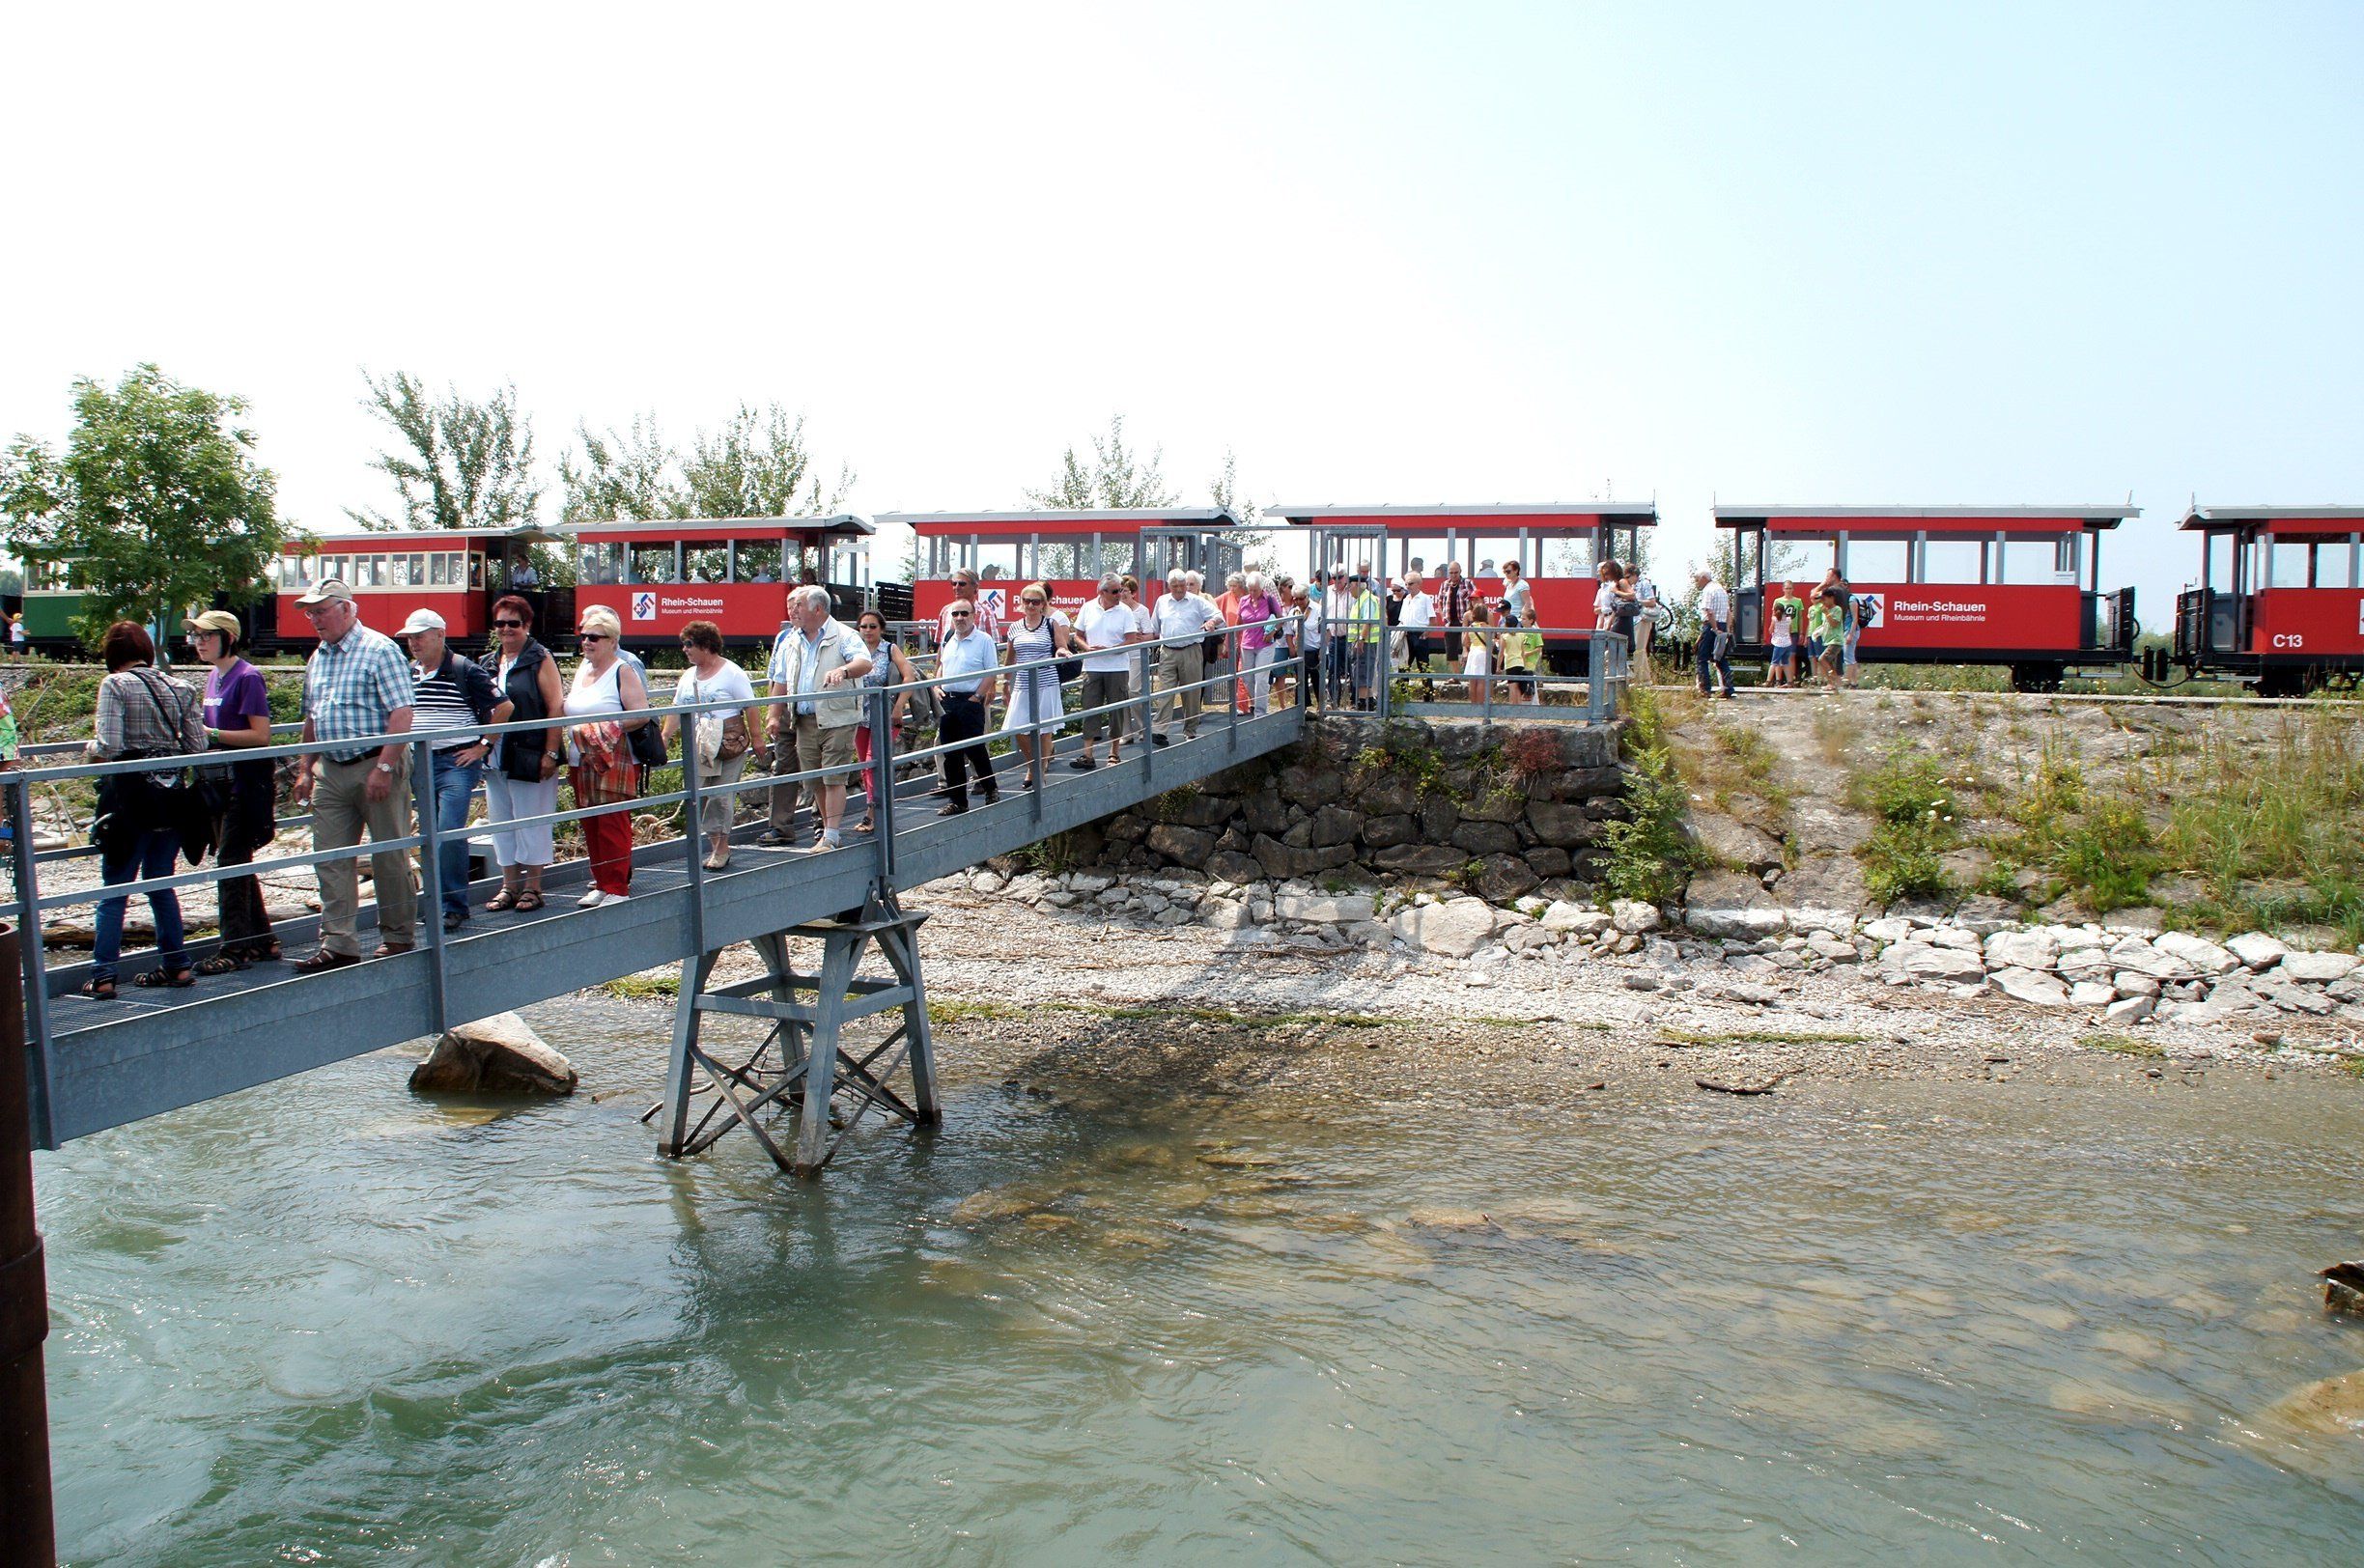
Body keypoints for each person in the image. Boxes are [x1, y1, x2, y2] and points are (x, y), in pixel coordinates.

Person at [291, 578, 417, 969]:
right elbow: (312, 719)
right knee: (330, 856)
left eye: (320, 611)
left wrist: (384, 766)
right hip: (331, 768)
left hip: (375, 762)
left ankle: (397, 935)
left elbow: (402, 714)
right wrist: (305, 769)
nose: (314, 619)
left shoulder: (379, 650)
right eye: (310, 613)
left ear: (346, 609)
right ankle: (339, 942)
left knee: (389, 855)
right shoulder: (318, 657)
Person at [80, 622, 206, 997]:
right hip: (171, 800)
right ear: (147, 651)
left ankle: (104, 975)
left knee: (115, 889)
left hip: (131, 803)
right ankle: (178, 965)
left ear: (112, 654)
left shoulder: (115, 685)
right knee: (161, 883)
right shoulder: (181, 687)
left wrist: (88, 748)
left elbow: (109, 745)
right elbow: (198, 747)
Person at [398, 608, 509, 934]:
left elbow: (504, 706)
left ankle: (454, 906)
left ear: (439, 635)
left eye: (419, 636)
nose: (414, 643)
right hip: (420, 762)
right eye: (410, 638)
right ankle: (438, 904)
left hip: (455, 763)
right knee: (429, 835)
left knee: (448, 832)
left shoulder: (464, 669)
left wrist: (483, 746)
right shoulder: (410, 672)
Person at [183, 610, 279, 972]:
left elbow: (260, 735)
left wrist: (210, 734)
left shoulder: (248, 677)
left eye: (207, 636)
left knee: (229, 862)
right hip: (218, 785)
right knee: (236, 860)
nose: (200, 642)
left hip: (244, 784)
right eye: (196, 636)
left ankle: (235, 948)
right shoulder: (214, 677)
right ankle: (263, 940)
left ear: (229, 638)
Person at [763, 585, 873, 854]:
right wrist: (774, 715)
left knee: (833, 776)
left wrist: (843, 671)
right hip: (803, 719)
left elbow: (864, 662)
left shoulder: (844, 635)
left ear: (818, 609)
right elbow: (780, 680)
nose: (793, 610)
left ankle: (831, 835)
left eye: (799, 605)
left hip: (837, 716)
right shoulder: (791, 640)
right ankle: (827, 831)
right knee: (815, 779)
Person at [483, 595, 566, 913]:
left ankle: (533, 886)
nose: (506, 629)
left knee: (532, 820)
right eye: (500, 623)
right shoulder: (489, 662)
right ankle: (508, 885)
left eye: (513, 623)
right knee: (501, 822)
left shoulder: (539, 658)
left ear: (526, 625)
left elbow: (555, 706)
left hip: (530, 752)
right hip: (496, 756)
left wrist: (550, 752)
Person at [565, 604, 651, 903]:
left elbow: (641, 714)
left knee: (612, 823)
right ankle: (601, 882)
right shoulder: (582, 669)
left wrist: (606, 727)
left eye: (594, 637)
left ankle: (617, 887)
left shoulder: (622, 670)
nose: (587, 642)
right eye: (584, 636)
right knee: (590, 822)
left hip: (613, 758)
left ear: (612, 641)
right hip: (581, 756)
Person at [666, 619, 757, 870]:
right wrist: (665, 736)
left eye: (689, 644)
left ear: (705, 645)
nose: (684, 649)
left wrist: (758, 739)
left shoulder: (732, 673)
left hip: (728, 743)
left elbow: (750, 707)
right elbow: (676, 708)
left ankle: (721, 849)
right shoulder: (688, 676)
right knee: (700, 795)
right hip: (702, 743)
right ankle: (716, 844)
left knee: (720, 795)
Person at [1071, 574, 1148, 768]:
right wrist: (1087, 648)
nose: (1119, 594)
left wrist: (1111, 650)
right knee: (1090, 708)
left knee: (1116, 710)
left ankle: (1114, 752)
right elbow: (1077, 636)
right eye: (1114, 591)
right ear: (1101, 592)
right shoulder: (1088, 607)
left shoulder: (1125, 611)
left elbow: (1132, 640)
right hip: (1092, 667)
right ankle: (1088, 754)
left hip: (1117, 668)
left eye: (1121, 590)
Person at [850, 610, 916, 834]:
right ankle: (877, 805)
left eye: (873, 626)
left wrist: (899, 706)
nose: (868, 631)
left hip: (885, 715)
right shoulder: (854, 652)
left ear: (881, 629)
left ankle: (873, 812)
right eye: (863, 626)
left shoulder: (889, 649)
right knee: (865, 765)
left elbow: (909, 676)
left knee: (873, 762)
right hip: (860, 716)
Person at [934, 599, 1000, 813]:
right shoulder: (948, 638)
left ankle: (991, 788)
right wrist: (936, 686)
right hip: (948, 701)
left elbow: (991, 671)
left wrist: (977, 696)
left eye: (964, 613)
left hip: (970, 701)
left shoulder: (984, 640)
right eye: (955, 614)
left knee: (975, 749)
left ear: (974, 616)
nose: (960, 618)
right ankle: (958, 801)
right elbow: (941, 666)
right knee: (951, 754)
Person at [999, 583, 1070, 788]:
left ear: (1043, 604)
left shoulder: (1051, 623)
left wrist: (1061, 652)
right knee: (1017, 726)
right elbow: (1010, 659)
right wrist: (1005, 683)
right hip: (1022, 682)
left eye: (1036, 602)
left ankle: (1038, 771)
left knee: (1044, 730)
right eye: (1027, 601)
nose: (1031, 605)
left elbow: (1061, 647)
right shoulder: (1015, 627)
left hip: (1046, 681)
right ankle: (1034, 766)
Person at [1149, 567, 1219, 743]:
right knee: (1165, 691)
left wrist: (1211, 621)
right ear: (1169, 586)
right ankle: (1159, 731)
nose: (1179, 589)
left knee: (1192, 693)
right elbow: (1154, 627)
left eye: (1182, 585)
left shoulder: (1196, 601)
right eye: (1175, 586)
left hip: (1191, 650)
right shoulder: (1162, 601)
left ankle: (1190, 730)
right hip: (1167, 651)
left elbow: (1219, 616)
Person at [1233, 572, 1284, 718]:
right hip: (1247, 643)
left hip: (1265, 643)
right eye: (1250, 590)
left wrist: (1272, 632)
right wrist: (1236, 640)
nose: (1252, 593)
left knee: (1261, 678)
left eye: (1255, 590)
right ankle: (1258, 701)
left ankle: (1260, 713)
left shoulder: (1269, 599)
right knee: (1247, 678)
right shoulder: (1244, 601)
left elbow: (1281, 619)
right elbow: (1239, 622)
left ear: (1262, 588)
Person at [1693, 570, 1735, 699]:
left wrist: (1715, 628)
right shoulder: (1721, 590)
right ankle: (1728, 688)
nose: (1697, 583)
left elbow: (1709, 612)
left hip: (1711, 626)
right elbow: (1728, 612)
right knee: (1720, 658)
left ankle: (1705, 688)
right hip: (1722, 625)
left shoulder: (1708, 590)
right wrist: (1726, 629)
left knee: (1702, 657)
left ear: (1704, 578)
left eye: (1697, 580)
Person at [1348, 571, 1385, 709]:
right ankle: (1369, 700)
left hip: (1365, 642)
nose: (1349, 589)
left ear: (1358, 585)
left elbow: (1368, 621)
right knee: (1361, 669)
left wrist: (1361, 639)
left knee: (1362, 671)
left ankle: (1362, 702)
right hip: (1362, 641)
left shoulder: (1367, 599)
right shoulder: (1361, 599)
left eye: (1350, 586)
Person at [939, 567, 1001, 646]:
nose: (957, 587)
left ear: (975, 587)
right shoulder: (945, 611)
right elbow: (941, 646)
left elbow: (993, 647)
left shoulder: (986, 613)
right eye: (954, 584)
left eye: (962, 584)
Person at [1320, 568, 1355, 707]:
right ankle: (1333, 701)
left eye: (1340, 577)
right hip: (1334, 637)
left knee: (1353, 670)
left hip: (1350, 637)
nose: (1337, 580)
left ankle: (1355, 702)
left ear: (1346, 576)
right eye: (1334, 577)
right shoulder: (1327, 592)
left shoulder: (1352, 592)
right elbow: (1323, 615)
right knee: (1332, 670)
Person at [1215, 570, 1248, 714]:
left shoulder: (1248, 597)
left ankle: (1242, 705)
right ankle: (1235, 704)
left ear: (1242, 585)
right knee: (1233, 673)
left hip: (1246, 639)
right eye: (1230, 586)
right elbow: (1211, 605)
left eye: (1235, 586)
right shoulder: (1226, 597)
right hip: (1231, 640)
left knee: (1242, 672)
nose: (1232, 589)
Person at [1437, 560, 1475, 666]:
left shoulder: (1468, 583)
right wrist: (1443, 617)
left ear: (1460, 571)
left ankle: (1468, 673)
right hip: (1450, 622)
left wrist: (1471, 616)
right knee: (1450, 652)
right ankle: (1455, 674)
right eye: (1451, 573)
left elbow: (1475, 600)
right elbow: (1440, 602)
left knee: (1468, 648)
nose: (1453, 575)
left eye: (1456, 572)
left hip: (1465, 622)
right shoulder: (1444, 584)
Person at [1629, 566, 1663, 684]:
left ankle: (1640, 679)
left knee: (1639, 649)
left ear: (1634, 575)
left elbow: (1652, 602)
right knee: (1639, 649)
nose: (1627, 579)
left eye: (1628, 576)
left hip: (1642, 619)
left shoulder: (1644, 584)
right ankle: (1644, 678)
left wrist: (1636, 601)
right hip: (1635, 620)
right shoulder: (1632, 586)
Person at [1461, 603, 1496, 702]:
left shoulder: (1470, 626)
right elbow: (1490, 643)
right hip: (1483, 653)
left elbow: (1465, 642)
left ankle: (1474, 705)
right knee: (1482, 681)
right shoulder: (1487, 627)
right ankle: (1480, 705)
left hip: (1473, 652)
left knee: (1472, 681)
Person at [1766, 584, 1798, 688]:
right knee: (1786, 663)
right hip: (1787, 643)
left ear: (1775, 611)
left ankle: (1768, 681)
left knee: (1774, 662)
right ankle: (1790, 681)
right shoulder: (1788, 619)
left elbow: (1770, 630)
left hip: (1778, 643)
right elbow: (1790, 631)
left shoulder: (1774, 619)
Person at [1500, 560, 1537, 633]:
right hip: (1507, 621)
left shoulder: (1522, 585)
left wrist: (1521, 619)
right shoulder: (1508, 584)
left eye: (1508, 571)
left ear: (1516, 571)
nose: (1506, 574)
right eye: (1504, 572)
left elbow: (1527, 603)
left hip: (1517, 622)